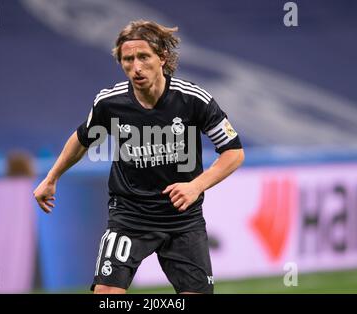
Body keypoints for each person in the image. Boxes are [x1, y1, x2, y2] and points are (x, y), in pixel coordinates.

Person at [33, 20, 244, 294]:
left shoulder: (193, 100)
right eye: (127, 59)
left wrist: (196, 186)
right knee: (107, 295)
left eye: (143, 57)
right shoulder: (110, 103)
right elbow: (82, 139)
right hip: (129, 216)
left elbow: (234, 152)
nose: (136, 67)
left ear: (162, 58)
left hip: (182, 220)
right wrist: (52, 177)